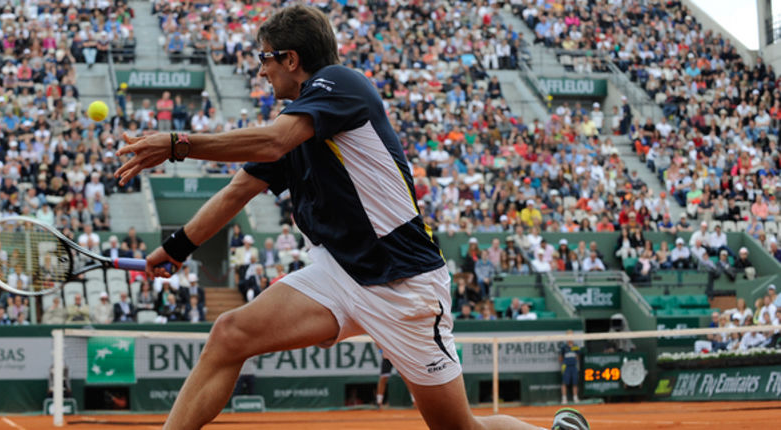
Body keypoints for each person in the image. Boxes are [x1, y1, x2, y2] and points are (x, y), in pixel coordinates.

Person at [113, 5, 588, 430]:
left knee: (458, 428)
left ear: (291, 59)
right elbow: (237, 192)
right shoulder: (295, 124)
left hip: (403, 284)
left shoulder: (341, 84)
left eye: (264, 58)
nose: (260, 70)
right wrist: (174, 250)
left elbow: (274, 141)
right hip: (338, 275)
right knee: (229, 334)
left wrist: (176, 145)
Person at [559, 331, 581, 405]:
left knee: (575, 382)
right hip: (566, 367)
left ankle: (575, 398)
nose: (570, 338)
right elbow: (560, 358)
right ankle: (564, 398)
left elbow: (578, 357)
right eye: (568, 336)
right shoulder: (563, 347)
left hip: (574, 367)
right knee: (564, 383)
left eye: (571, 336)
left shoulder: (576, 346)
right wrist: (565, 363)